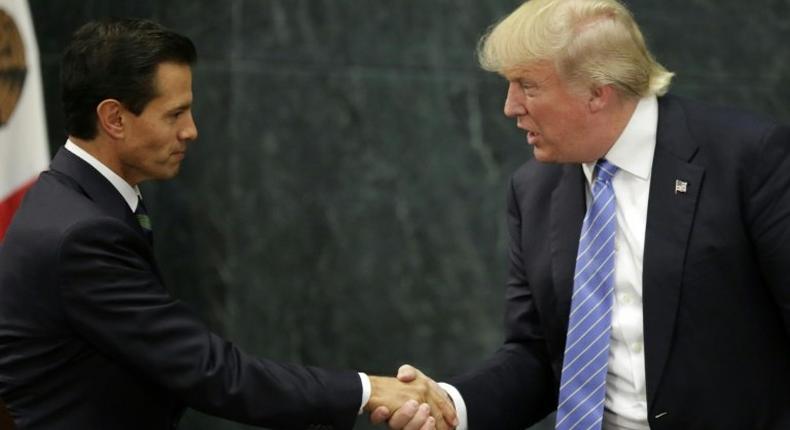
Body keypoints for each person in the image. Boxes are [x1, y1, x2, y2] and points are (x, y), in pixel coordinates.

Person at [0, 18, 456, 430]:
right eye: (174, 114)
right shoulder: (83, 234)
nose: (191, 130)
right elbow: (211, 372)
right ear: (114, 118)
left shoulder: (71, 199)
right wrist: (368, 390)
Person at [373, 0, 790, 429]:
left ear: (597, 91)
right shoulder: (533, 188)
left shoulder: (749, 159)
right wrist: (449, 406)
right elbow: (538, 355)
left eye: (527, 86)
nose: (510, 106)